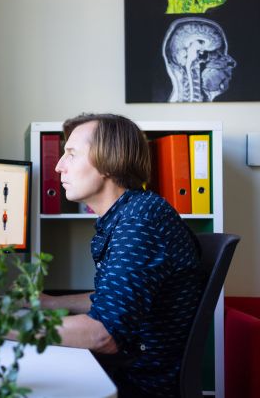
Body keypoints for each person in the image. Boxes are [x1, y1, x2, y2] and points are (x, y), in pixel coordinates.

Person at [38, 114, 203, 397]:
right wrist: (48, 303)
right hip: (124, 374)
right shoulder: (131, 213)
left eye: (71, 154)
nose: (58, 166)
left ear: (107, 161)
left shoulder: (140, 220)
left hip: (137, 387)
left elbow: (104, 334)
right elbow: (114, 301)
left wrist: (1, 325)